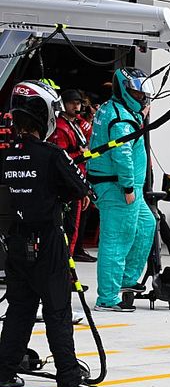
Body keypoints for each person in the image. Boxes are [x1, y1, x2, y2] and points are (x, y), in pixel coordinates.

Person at [0, 80, 98, 387]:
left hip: (14, 242)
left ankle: (4, 372)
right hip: (47, 241)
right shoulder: (51, 154)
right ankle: (68, 379)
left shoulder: (5, 155)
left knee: (19, 308)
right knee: (57, 309)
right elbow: (81, 188)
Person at [87, 67, 156, 312]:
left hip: (122, 186)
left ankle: (126, 279)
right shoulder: (120, 119)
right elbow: (122, 154)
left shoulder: (116, 110)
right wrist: (128, 187)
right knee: (116, 240)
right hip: (118, 187)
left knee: (147, 225)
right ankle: (107, 297)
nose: (142, 98)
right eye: (137, 93)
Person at [48, 88, 95, 263]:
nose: (77, 106)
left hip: (78, 179)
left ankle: (67, 270)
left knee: (73, 228)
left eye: (78, 103)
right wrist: (82, 155)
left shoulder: (75, 123)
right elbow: (61, 157)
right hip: (69, 182)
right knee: (70, 229)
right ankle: (67, 272)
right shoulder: (61, 126)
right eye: (73, 103)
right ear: (64, 104)